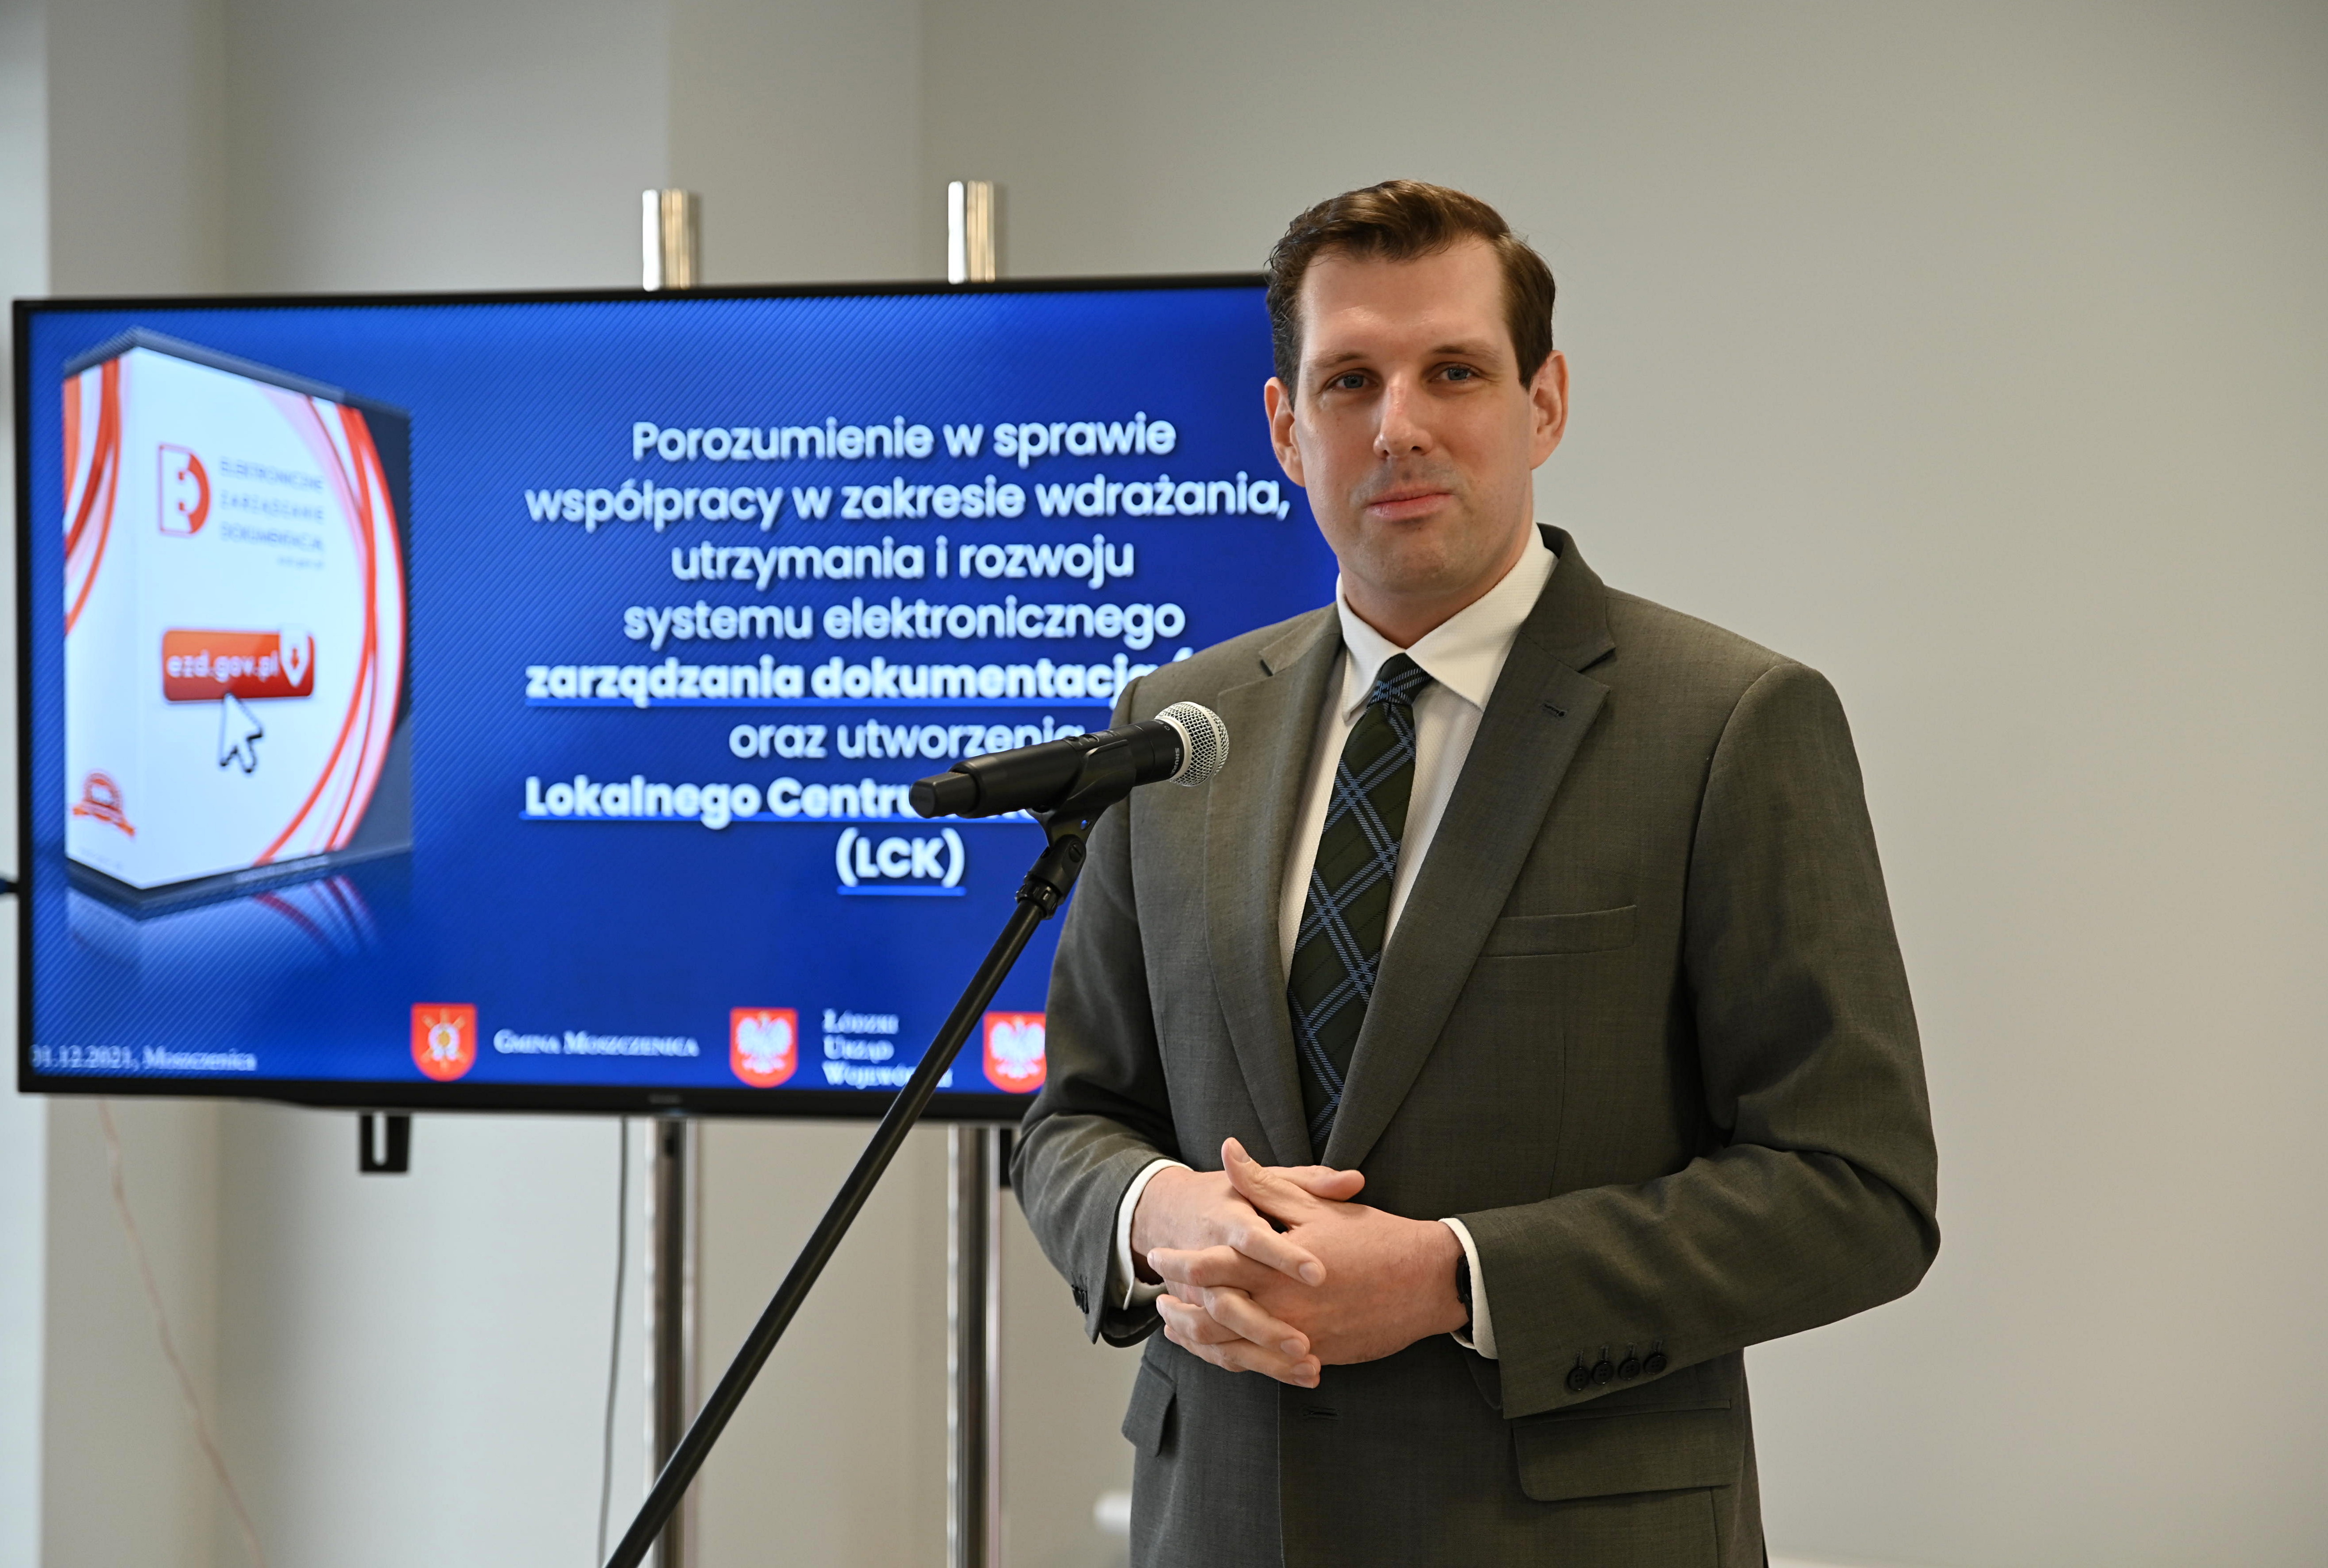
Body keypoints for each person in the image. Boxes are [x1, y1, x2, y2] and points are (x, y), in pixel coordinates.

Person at [1012, 179, 1939, 1567]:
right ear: (1285, 430)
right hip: (1224, 1522)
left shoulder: (1728, 723)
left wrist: (1457, 1275)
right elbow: (1074, 1119)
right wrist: (1160, 1217)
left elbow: (1857, 1191)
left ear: (1543, 403)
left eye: (1453, 370)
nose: (1400, 424)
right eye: (1349, 380)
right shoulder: (1178, 725)